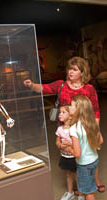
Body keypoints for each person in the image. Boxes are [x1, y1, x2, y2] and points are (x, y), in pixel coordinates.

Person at [23, 56, 105, 192]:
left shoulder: (89, 89)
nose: (70, 72)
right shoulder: (61, 84)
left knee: (90, 155)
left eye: (75, 69)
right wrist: (31, 85)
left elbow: (95, 110)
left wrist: (95, 129)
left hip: (84, 128)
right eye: (69, 69)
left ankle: (95, 180)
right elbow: (43, 88)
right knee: (72, 156)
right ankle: (79, 185)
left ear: (82, 72)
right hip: (66, 129)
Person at [69, 95, 103, 200]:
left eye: (71, 105)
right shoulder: (91, 123)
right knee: (90, 185)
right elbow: (100, 141)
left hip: (84, 165)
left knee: (89, 193)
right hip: (94, 160)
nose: (69, 107)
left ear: (78, 109)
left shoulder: (74, 128)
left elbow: (77, 153)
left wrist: (69, 149)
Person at [55, 105, 78, 200]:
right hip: (64, 156)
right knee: (68, 174)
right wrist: (60, 145)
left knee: (77, 175)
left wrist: (69, 144)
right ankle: (70, 192)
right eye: (60, 112)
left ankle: (81, 194)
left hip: (74, 157)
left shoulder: (75, 129)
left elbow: (78, 145)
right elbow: (57, 142)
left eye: (63, 112)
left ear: (71, 116)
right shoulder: (60, 129)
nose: (60, 114)